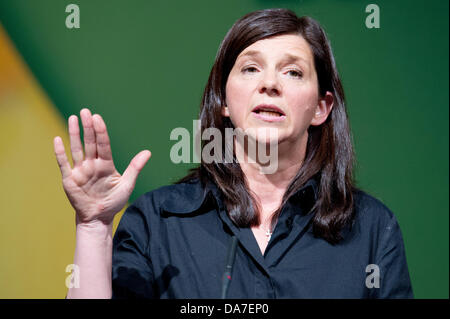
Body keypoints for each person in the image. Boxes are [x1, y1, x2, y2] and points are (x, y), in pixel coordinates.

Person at [54, 8, 413, 299]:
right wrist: (93, 227)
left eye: (292, 71)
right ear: (224, 101)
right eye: (251, 68)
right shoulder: (157, 222)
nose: (269, 84)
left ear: (321, 108)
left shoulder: (372, 229)